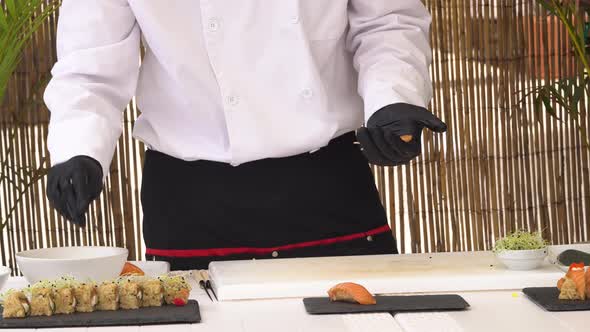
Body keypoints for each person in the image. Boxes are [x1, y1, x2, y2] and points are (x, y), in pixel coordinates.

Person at [44, 1, 446, 270]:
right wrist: (79, 147)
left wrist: (393, 97)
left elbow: (388, 20)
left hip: (326, 186)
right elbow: (88, 63)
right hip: (193, 203)